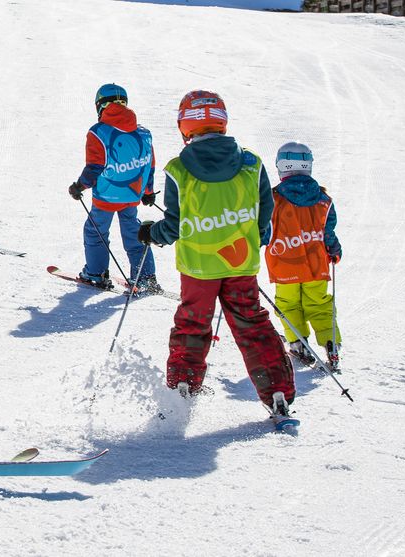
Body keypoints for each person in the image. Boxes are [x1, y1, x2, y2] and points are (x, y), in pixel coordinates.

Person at [138, 90, 295, 416]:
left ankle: (183, 385)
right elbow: (265, 211)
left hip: (198, 267)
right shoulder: (251, 164)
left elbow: (175, 224)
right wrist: (257, 236)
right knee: (251, 324)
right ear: (222, 122)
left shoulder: (178, 169)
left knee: (193, 322)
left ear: (185, 126)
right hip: (240, 263)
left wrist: (151, 233)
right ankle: (276, 390)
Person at [68, 84, 159, 293]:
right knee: (134, 232)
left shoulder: (98, 132)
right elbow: (149, 165)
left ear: (100, 106)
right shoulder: (144, 133)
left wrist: (79, 186)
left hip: (107, 197)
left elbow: (95, 167)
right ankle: (145, 277)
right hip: (131, 194)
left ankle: (96, 273)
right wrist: (148, 192)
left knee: (95, 231)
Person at [265, 142, 342, 368]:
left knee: (288, 304)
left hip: (284, 264)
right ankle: (331, 343)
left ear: (281, 166)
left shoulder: (272, 199)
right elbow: (328, 232)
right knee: (318, 303)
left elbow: (263, 229)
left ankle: (298, 343)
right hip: (315, 265)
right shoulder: (323, 199)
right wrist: (334, 250)